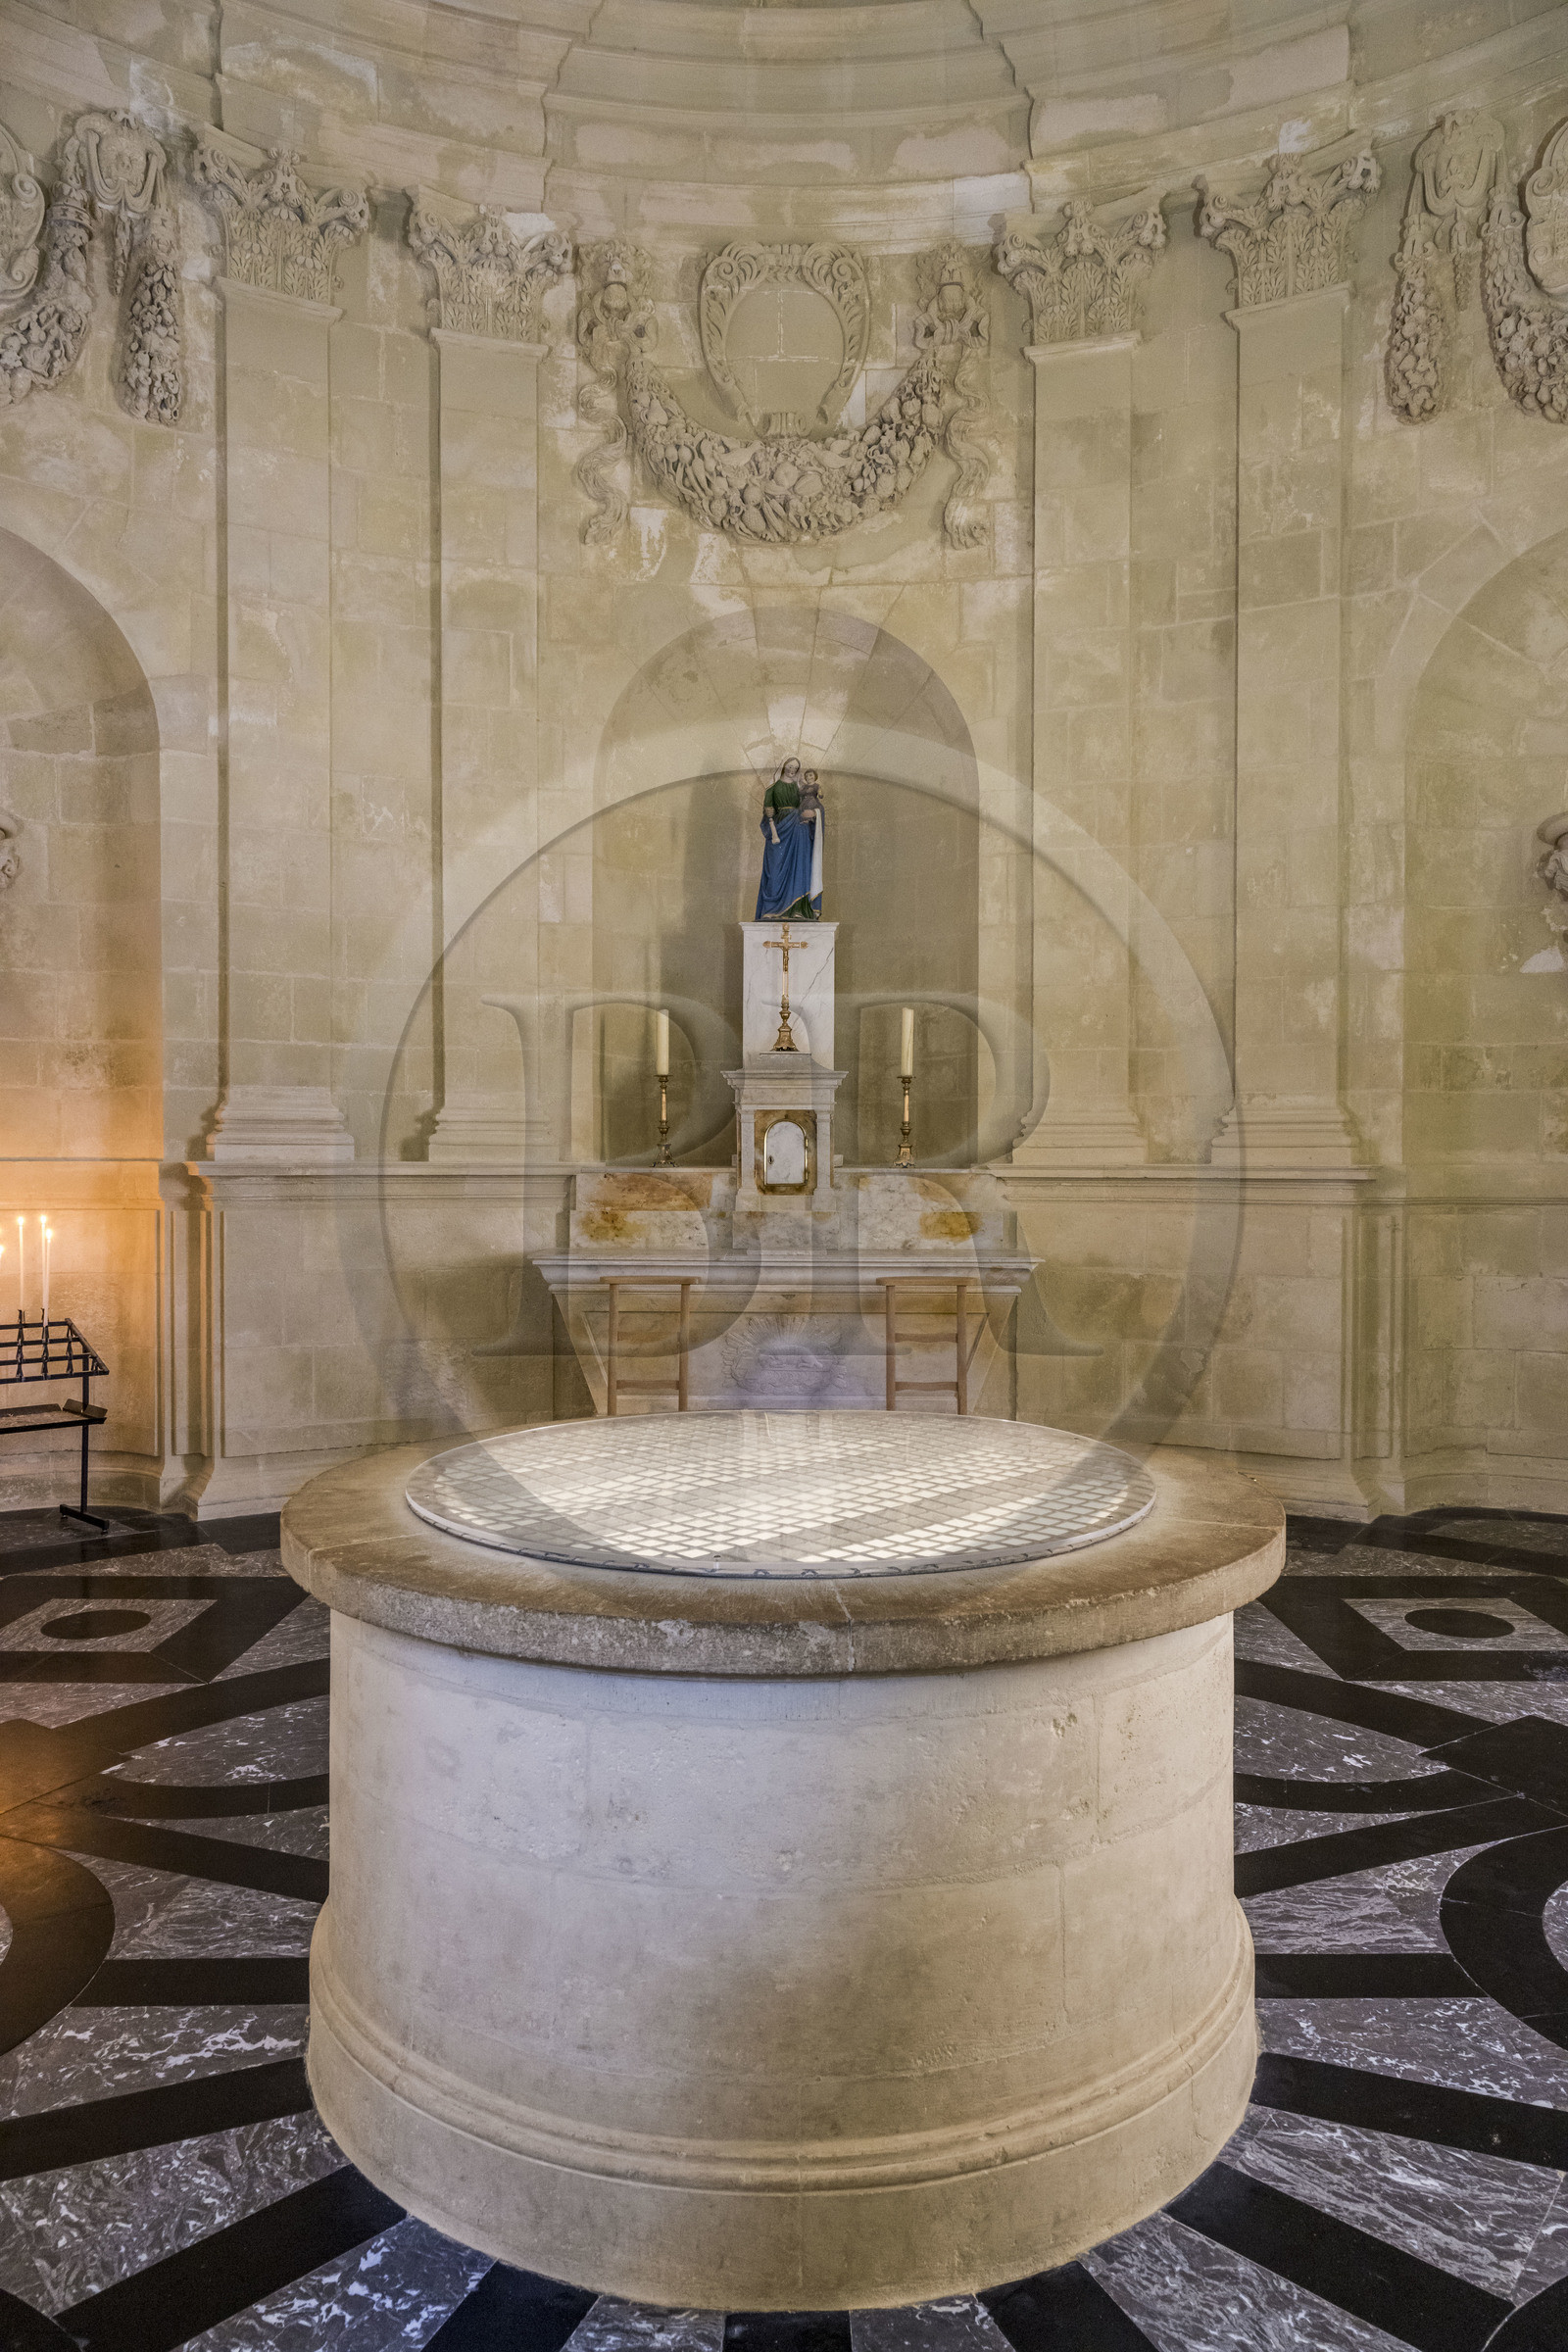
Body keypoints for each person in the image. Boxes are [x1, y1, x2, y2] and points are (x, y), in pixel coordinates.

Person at [756, 757, 825, 920]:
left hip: (799, 830)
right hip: (779, 831)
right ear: (783, 766)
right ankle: (772, 910)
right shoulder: (772, 788)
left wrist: (814, 814)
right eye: (789, 766)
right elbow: (767, 812)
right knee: (775, 869)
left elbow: (816, 806)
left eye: (795, 767)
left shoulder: (801, 788)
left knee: (800, 868)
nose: (791, 770)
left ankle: (798, 910)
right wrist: (768, 814)